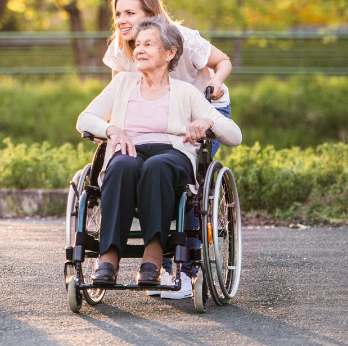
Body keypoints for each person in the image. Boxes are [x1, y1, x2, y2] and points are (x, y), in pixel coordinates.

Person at [76, 16, 242, 290]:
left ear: (169, 53)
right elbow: (85, 119)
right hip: (130, 150)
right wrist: (112, 130)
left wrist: (208, 121)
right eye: (137, 44)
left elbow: (234, 135)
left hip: (171, 156)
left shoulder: (186, 92)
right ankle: (108, 259)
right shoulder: (122, 84)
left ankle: (152, 258)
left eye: (148, 44)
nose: (139, 49)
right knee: (120, 167)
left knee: (157, 166)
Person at [104, 0, 233, 297]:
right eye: (118, 13)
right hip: (155, 121)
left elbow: (223, 61)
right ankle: (137, 257)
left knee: (185, 186)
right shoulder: (122, 47)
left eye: (130, 13)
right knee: (132, 166)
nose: (121, 19)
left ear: (150, 14)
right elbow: (120, 99)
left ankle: (185, 272)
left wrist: (215, 80)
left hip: (202, 110)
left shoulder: (183, 38)